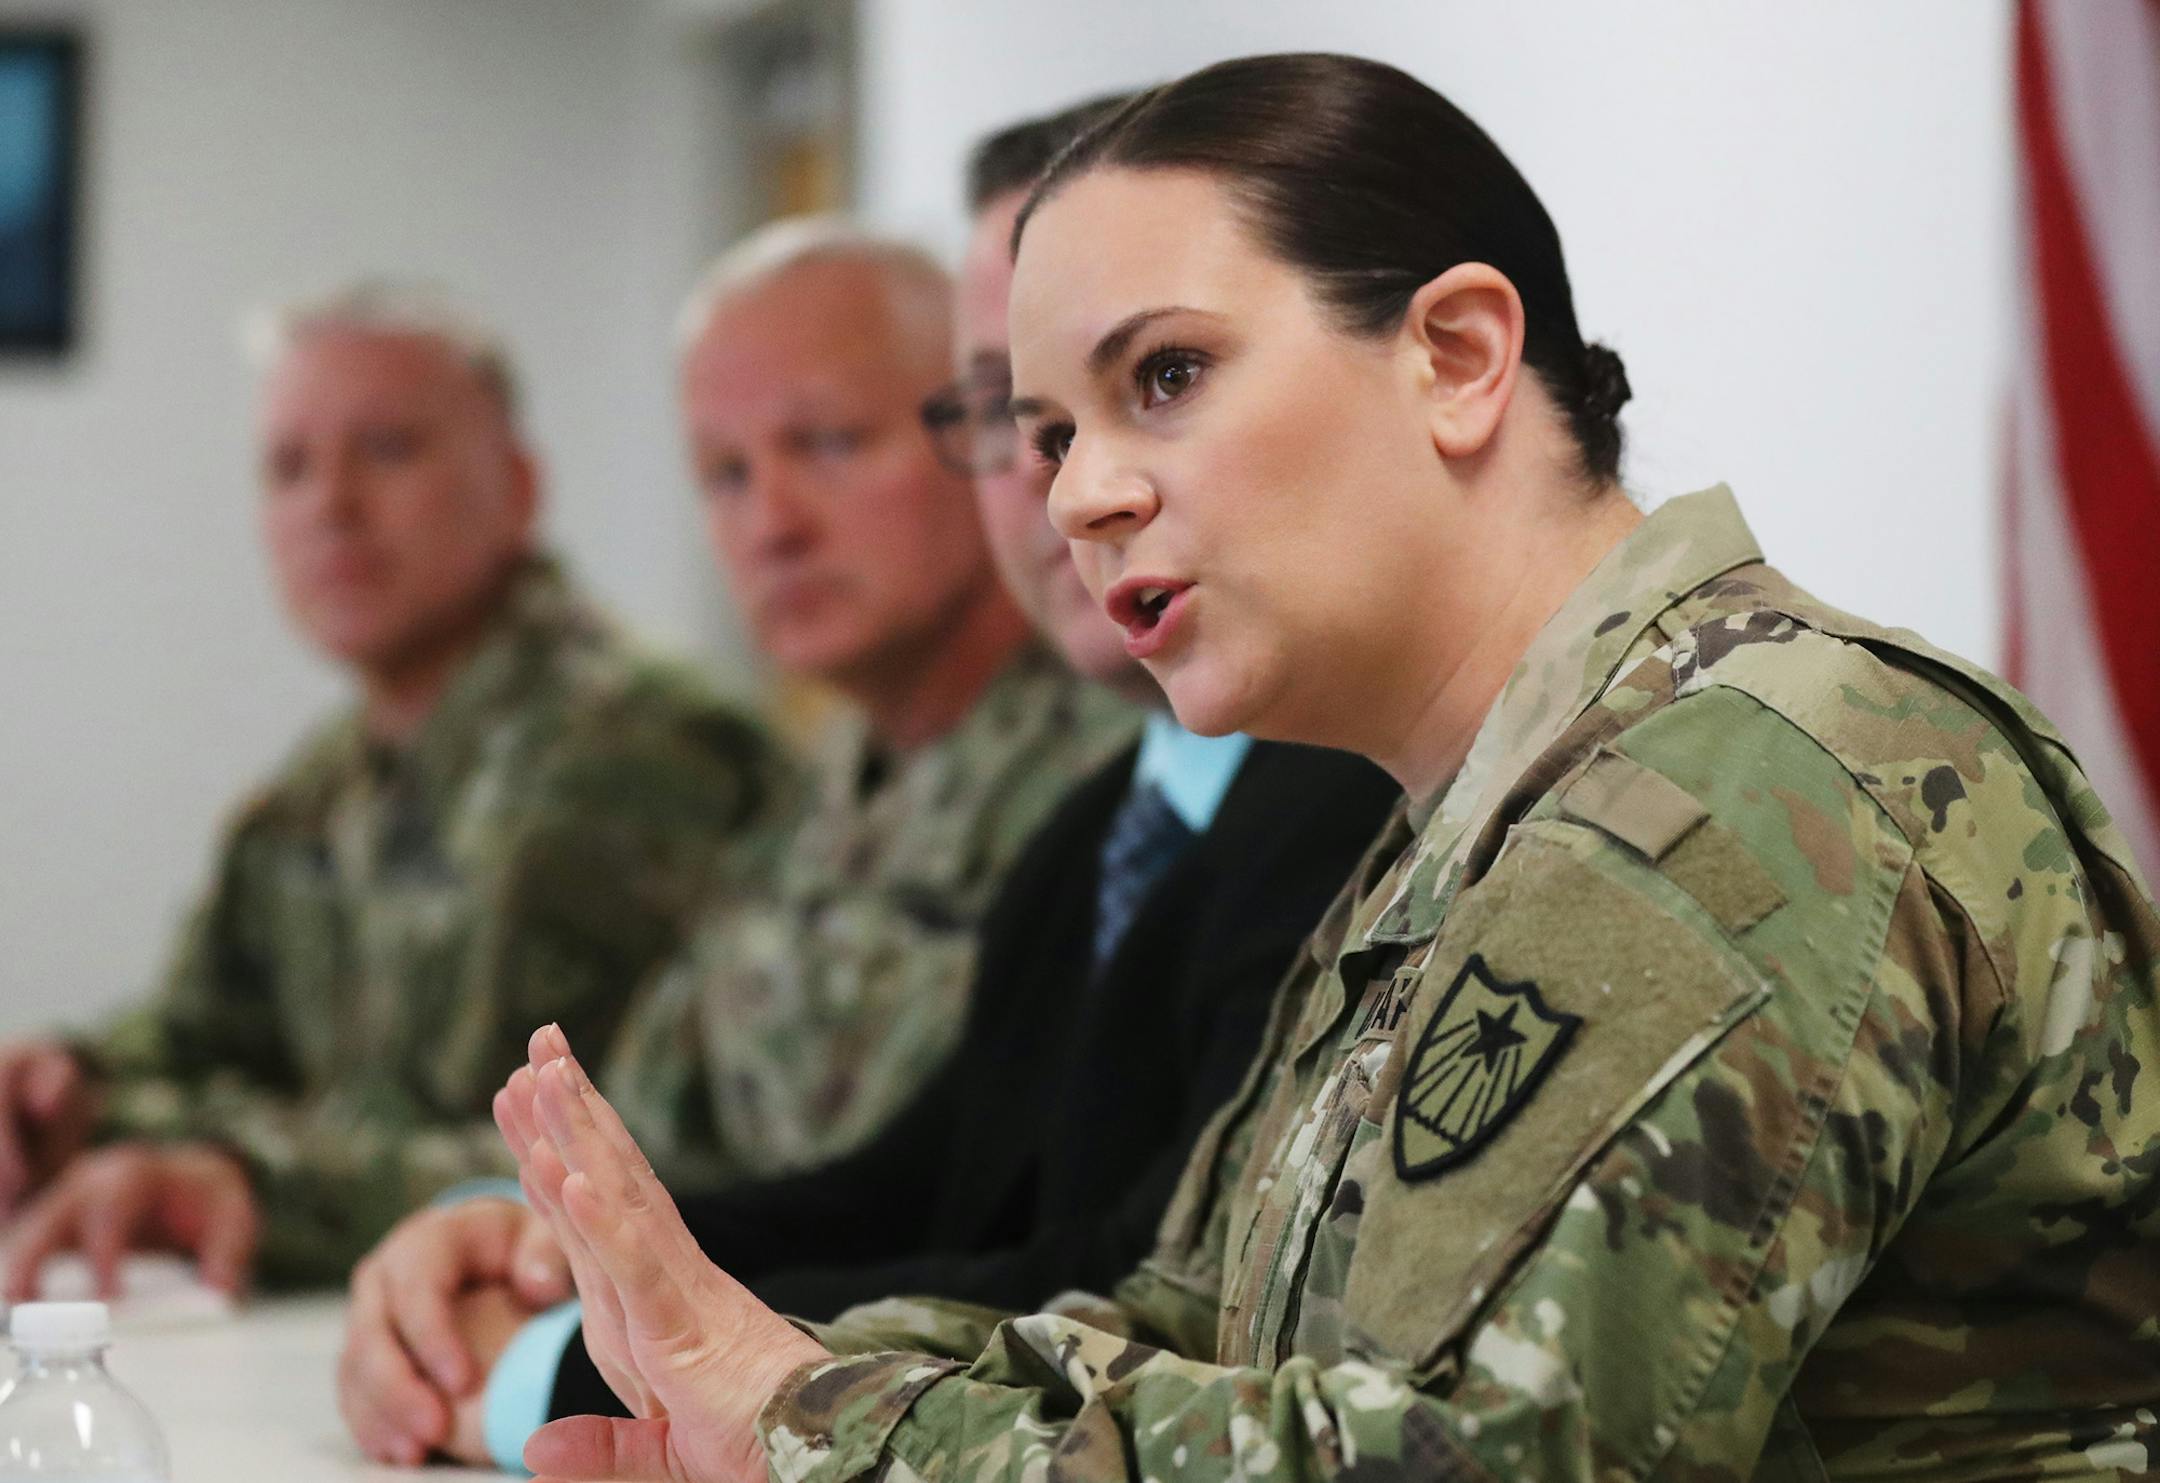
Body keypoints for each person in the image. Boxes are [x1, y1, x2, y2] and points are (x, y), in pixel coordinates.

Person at [490, 52, 2160, 1483]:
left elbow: (1473, 1461)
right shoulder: (1469, 817)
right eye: (1053, 431)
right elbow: (1186, 1321)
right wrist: (728, 1375)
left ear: (1454, 356)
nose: (1077, 499)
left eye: (1166, 378)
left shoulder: (1745, 787)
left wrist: (799, 1407)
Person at [332, 102, 1397, 1471]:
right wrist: (553, 1243)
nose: (1051, 479)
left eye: (1153, 379)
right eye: (1009, 408)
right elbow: (915, 1176)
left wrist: (569, 1353)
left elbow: (1163, 1285)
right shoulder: (1101, 832)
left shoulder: (1356, 791)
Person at [332, 222, 1140, 1467]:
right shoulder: (816, 799)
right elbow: (658, 1131)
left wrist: (554, 1349)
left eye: (826, 443)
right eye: (722, 471)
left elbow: (1034, 1243)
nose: (772, 521)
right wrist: (503, 1230)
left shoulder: (1126, 784)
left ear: (986, 439)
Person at [0, 282, 788, 1297]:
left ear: (516, 486)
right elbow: (207, 1033)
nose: (331, 506)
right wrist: (68, 1083)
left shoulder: (649, 757)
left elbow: (653, 1159)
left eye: (386, 450)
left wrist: (252, 1182)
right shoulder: (317, 788)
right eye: (289, 466)